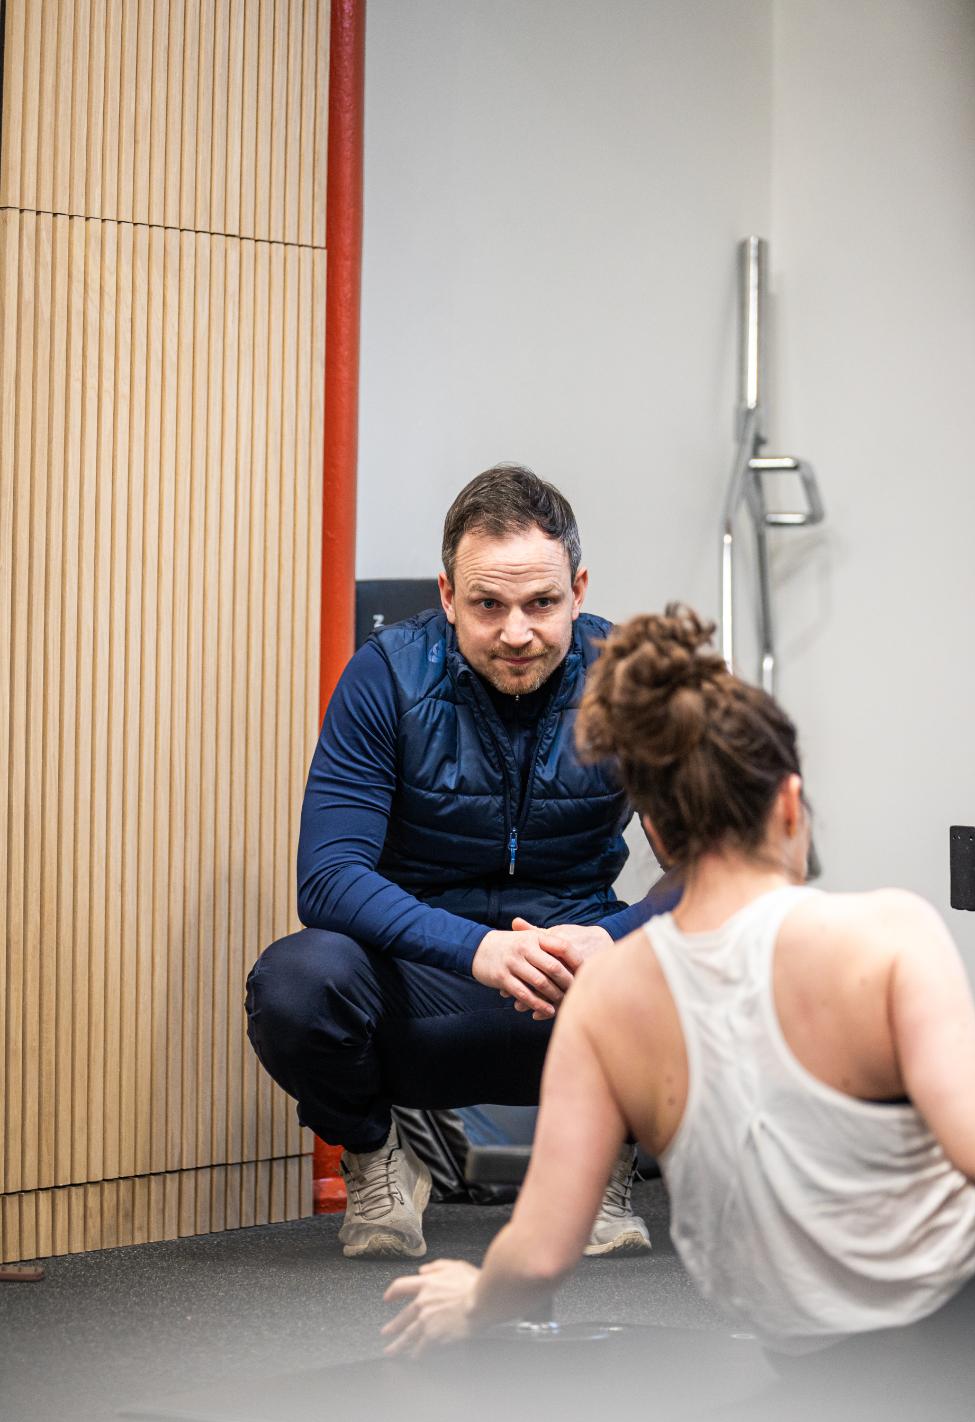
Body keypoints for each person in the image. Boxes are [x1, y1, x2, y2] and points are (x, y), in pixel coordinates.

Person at [380, 605, 975, 1359]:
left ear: (659, 834)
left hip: (804, 1354)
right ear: (788, 804)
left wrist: (474, 1299)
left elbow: (540, 1252)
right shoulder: (888, 930)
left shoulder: (605, 1000)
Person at [246, 465, 672, 1260]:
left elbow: (717, 872)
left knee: (718, 961)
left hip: (579, 983)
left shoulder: (632, 685)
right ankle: (378, 1156)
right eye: (488, 605)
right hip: (427, 983)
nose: (517, 632)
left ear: (577, 588)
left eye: (541, 603)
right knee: (297, 981)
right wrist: (477, 949)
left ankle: (601, 1160)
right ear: (446, 596)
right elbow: (328, 877)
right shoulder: (385, 677)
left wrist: (610, 938)